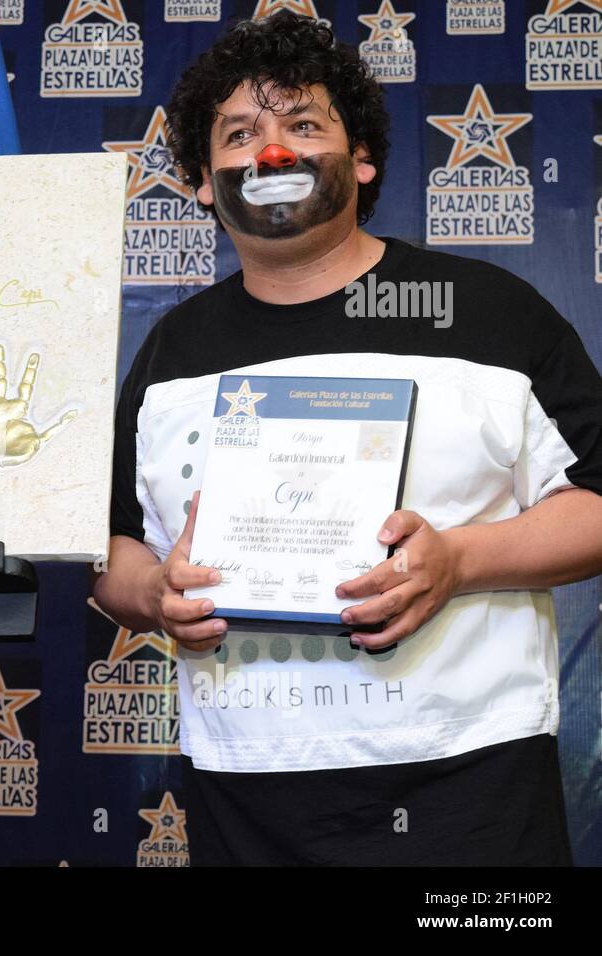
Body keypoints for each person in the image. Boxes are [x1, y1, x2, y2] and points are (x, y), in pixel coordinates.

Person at [93, 12, 602, 865]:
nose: (271, 153)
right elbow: (110, 548)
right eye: (239, 134)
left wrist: (460, 559)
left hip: (474, 793)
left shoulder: (489, 314)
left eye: (303, 125)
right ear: (202, 181)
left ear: (361, 157)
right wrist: (153, 593)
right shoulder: (171, 353)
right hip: (245, 801)